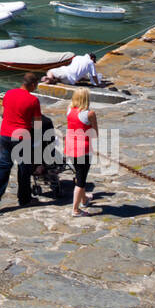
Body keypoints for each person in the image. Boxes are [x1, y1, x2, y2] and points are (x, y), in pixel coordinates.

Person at [0, 72, 43, 213]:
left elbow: (3, 113)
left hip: (5, 134)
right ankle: (24, 198)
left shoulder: (9, 94)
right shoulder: (33, 100)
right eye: (36, 85)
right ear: (32, 84)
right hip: (22, 137)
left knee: (4, 166)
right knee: (24, 169)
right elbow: (37, 124)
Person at [65, 87, 97, 216]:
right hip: (83, 150)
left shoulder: (69, 111)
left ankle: (84, 199)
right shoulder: (90, 114)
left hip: (70, 148)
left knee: (79, 175)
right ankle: (76, 210)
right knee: (81, 180)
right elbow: (94, 134)